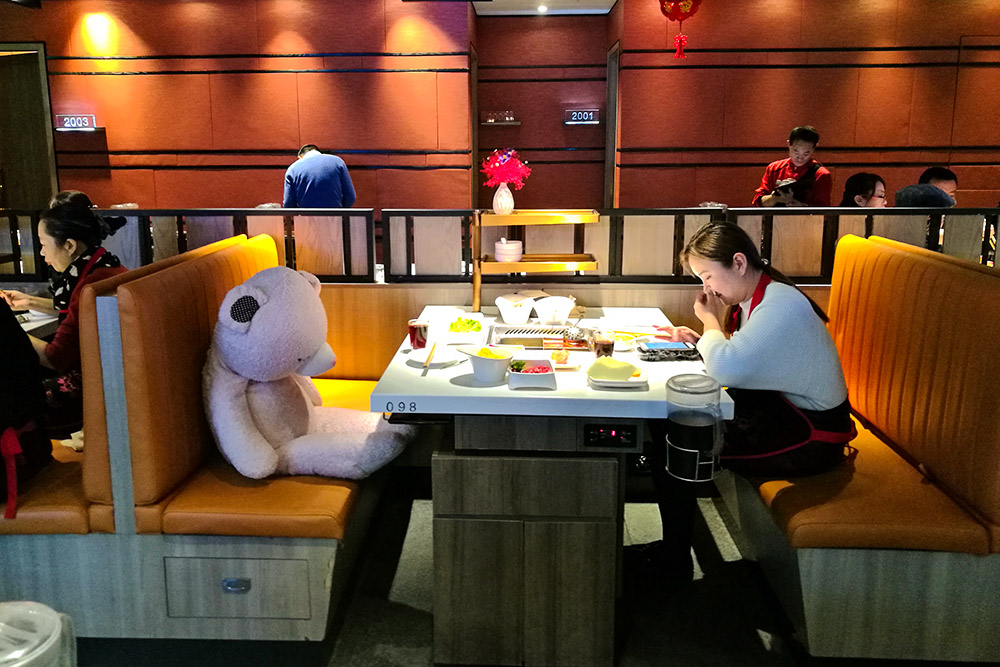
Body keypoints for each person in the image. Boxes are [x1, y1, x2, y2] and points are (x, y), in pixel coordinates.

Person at [633, 221, 855, 583]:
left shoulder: (781, 304)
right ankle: (673, 551)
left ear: (738, 263)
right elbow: (744, 360)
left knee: (678, 440)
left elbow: (727, 368)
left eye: (708, 276)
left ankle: (673, 561)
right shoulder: (760, 298)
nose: (707, 289)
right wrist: (701, 340)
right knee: (671, 430)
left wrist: (709, 322)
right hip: (783, 419)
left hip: (809, 440)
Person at [1, 202, 128, 437]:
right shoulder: (104, 267)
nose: (42, 254)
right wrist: (30, 301)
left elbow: (55, 358)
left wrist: (9, 328)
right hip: (113, 376)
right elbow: (79, 313)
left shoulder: (89, 285)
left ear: (69, 245)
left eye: (43, 245)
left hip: (94, 388)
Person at [752, 126, 832, 207]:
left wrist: (797, 205)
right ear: (789, 144)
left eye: (806, 154)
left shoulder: (821, 174)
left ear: (814, 149)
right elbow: (757, 202)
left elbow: (823, 210)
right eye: (795, 151)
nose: (799, 158)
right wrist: (775, 198)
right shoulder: (774, 168)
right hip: (775, 214)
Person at [282, 144, 357, 208]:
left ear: (300, 157)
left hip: (306, 219)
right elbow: (350, 197)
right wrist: (340, 212)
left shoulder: (292, 169)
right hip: (335, 217)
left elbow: (288, 204)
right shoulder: (338, 162)